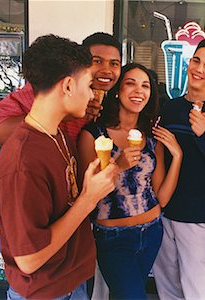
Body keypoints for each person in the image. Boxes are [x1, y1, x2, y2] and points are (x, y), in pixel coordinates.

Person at [0, 34, 118, 299]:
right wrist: (89, 198)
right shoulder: (22, 162)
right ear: (69, 85)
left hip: (68, 282)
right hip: (45, 292)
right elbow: (29, 259)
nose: (92, 94)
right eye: (88, 84)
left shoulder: (55, 133)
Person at [77, 63, 182, 299]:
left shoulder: (152, 139)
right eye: (131, 83)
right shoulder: (93, 136)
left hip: (152, 232)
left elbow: (162, 197)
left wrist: (178, 156)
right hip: (113, 239)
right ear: (118, 89)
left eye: (145, 86)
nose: (139, 90)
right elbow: (88, 197)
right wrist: (118, 166)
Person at [152, 39, 205, 300]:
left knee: (199, 290)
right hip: (163, 213)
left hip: (199, 218)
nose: (199, 69)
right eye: (196, 61)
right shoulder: (169, 108)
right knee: (167, 288)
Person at [0, 32, 121, 146]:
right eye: (97, 61)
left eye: (114, 64)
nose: (107, 70)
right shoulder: (46, 88)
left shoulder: (111, 101)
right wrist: (61, 115)